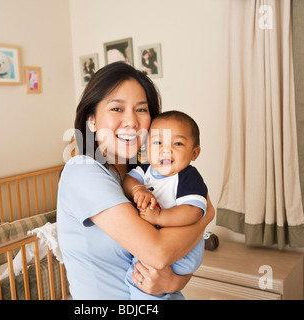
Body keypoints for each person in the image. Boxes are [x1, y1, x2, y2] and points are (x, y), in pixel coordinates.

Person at [57, 62, 215, 299]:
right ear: (91, 120)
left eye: (141, 110)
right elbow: (159, 253)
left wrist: (173, 283)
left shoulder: (148, 172)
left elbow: (180, 256)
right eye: (117, 109)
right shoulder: (82, 171)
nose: (131, 121)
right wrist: (207, 216)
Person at [122, 110, 207, 299]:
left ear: (194, 153)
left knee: (139, 282)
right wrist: (138, 189)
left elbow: (194, 212)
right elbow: (127, 181)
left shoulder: (187, 177)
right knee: (151, 285)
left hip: (182, 251)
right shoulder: (145, 170)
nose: (165, 150)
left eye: (177, 143)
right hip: (161, 248)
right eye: (158, 142)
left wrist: (160, 217)